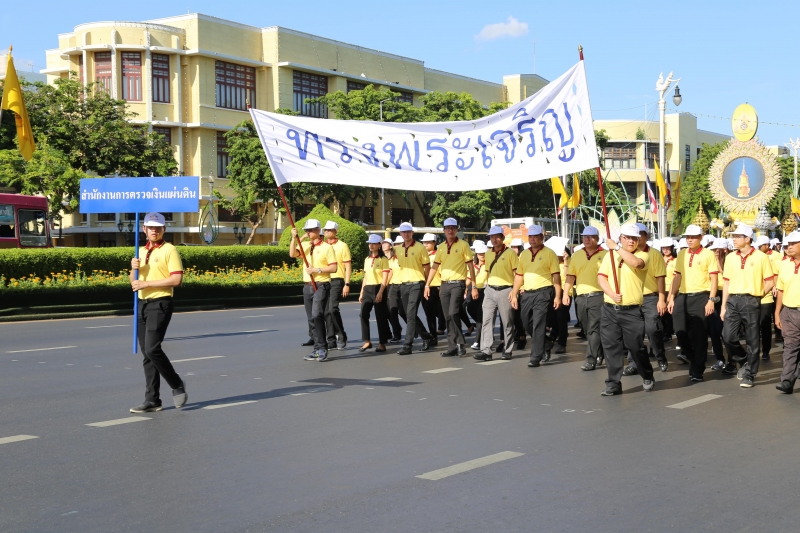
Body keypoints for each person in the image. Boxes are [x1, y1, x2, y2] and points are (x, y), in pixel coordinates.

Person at [129, 212, 187, 413]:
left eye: (158, 227)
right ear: (144, 229)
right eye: (150, 227)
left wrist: (147, 283)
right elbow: (134, 283)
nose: (154, 230)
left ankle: (176, 383)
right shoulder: (140, 251)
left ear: (164, 229)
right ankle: (152, 400)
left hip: (160, 303)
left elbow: (176, 280)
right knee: (147, 354)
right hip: (141, 303)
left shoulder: (169, 250)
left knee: (153, 349)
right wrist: (133, 269)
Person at [596, 224, 656, 396]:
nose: (631, 241)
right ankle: (613, 383)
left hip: (631, 311)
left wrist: (616, 248)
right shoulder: (610, 255)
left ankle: (647, 374)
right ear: (621, 238)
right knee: (611, 347)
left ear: (639, 241)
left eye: (634, 238)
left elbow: (636, 263)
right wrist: (611, 293)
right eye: (627, 237)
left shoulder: (644, 255)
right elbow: (602, 278)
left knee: (635, 347)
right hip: (610, 308)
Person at [720, 224, 775, 388]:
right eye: (734, 236)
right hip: (733, 300)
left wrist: (757, 295)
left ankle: (750, 374)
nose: (734, 239)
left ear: (747, 239)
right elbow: (727, 282)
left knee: (752, 339)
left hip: (751, 300)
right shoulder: (730, 257)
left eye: (738, 236)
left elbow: (770, 281)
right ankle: (743, 359)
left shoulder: (761, 257)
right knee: (727, 336)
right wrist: (723, 306)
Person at [667, 224, 718, 381]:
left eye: (693, 237)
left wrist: (711, 300)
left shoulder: (708, 254)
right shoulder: (681, 254)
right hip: (682, 296)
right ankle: (692, 358)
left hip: (701, 296)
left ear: (701, 237)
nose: (689, 240)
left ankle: (698, 368)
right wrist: (671, 297)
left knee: (699, 335)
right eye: (687, 237)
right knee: (680, 331)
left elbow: (714, 279)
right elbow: (678, 277)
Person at [511, 225, 562, 368]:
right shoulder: (524, 254)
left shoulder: (549, 253)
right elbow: (519, 276)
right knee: (526, 323)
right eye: (530, 236)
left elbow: (556, 277)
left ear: (542, 237)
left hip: (544, 292)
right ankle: (545, 344)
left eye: (535, 236)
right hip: (527, 293)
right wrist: (514, 294)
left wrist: (557, 296)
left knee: (539, 324)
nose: (532, 239)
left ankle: (535, 357)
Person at [425, 218, 477, 357]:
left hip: (458, 283)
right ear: (444, 230)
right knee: (448, 316)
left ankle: (460, 343)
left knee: (454, 312)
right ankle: (452, 346)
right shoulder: (441, 247)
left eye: (453, 228)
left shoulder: (464, 245)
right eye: (447, 228)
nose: (450, 230)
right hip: (444, 284)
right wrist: (427, 284)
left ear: (457, 229)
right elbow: (434, 266)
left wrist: (474, 285)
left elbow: (470, 266)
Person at [290, 219, 338, 362]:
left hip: (321, 284)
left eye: (310, 230)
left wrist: (316, 270)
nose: (308, 233)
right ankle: (317, 348)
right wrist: (293, 238)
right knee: (311, 318)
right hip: (307, 285)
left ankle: (323, 347)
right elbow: (292, 254)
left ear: (318, 230)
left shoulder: (327, 247)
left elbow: (333, 268)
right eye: (306, 230)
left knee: (317, 315)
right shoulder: (305, 245)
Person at [624, 223, 668, 374]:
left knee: (652, 329)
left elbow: (660, 277)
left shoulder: (654, 254)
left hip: (650, 297)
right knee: (634, 333)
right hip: (631, 297)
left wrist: (662, 299)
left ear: (646, 236)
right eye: (632, 236)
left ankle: (660, 356)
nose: (636, 238)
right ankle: (633, 363)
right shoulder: (626, 254)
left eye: (640, 234)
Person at [563, 226, 607, 371]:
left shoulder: (606, 254)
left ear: (597, 238)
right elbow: (571, 275)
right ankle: (600, 352)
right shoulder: (576, 255)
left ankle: (591, 359)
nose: (587, 239)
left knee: (594, 328)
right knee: (588, 328)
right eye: (584, 237)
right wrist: (565, 293)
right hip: (581, 297)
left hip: (598, 295)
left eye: (591, 237)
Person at [475, 226, 519, 361]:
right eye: (491, 237)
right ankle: (486, 351)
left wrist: (515, 292)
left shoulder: (511, 253)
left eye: (497, 237)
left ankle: (508, 349)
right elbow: (488, 272)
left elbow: (517, 273)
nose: (494, 239)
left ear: (502, 238)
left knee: (507, 321)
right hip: (490, 290)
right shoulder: (488, 254)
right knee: (487, 321)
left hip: (506, 289)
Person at [395, 222, 433, 355]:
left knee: (410, 313)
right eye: (403, 232)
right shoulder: (398, 249)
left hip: (417, 283)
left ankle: (407, 345)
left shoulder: (420, 247)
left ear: (412, 233)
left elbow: (427, 268)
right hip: (404, 284)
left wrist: (427, 285)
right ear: (400, 233)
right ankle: (426, 336)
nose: (406, 234)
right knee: (406, 313)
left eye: (408, 231)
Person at [774, 231, 800, 393]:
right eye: (787, 245)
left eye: (793, 244)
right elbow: (781, 290)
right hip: (789, 312)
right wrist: (777, 312)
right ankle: (787, 381)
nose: (788, 247)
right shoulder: (784, 264)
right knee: (790, 347)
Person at [359, 234, 391, 353]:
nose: (371, 246)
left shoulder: (383, 260)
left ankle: (382, 343)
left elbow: (385, 277)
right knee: (363, 314)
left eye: (373, 243)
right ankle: (367, 341)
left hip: (378, 287)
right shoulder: (367, 260)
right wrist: (362, 292)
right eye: (369, 243)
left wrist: (381, 292)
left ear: (379, 245)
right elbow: (366, 277)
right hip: (368, 288)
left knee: (380, 316)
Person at [323, 221, 351, 351]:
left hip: (337, 279)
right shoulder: (321, 245)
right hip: (324, 279)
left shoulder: (342, 246)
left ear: (336, 231)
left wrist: (347, 283)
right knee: (326, 312)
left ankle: (341, 334)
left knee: (332, 309)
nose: (327, 232)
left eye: (330, 230)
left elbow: (347, 266)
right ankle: (331, 340)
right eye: (326, 230)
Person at [755, 235, 783, 360]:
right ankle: (755, 351)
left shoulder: (776, 256)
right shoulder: (755, 256)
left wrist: (775, 286)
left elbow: (778, 273)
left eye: (762, 246)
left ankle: (766, 351)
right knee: (754, 325)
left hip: (769, 295)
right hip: (754, 295)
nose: (760, 248)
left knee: (765, 324)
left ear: (767, 245)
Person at [707, 239, 731, 371]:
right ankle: (720, 359)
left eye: (717, 250)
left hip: (726, 295)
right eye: (713, 250)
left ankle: (732, 360)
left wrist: (718, 263)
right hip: (713, 295)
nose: (715, 253)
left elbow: (727, 277)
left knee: (726, 332)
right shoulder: (710, 260)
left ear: (724, 250)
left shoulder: (730, 260)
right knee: (714, 331)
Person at [421, 233, 443, 349]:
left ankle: (434, 336)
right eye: (424, 242)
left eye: (428, 242)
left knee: (432, 312)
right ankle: (432, 334)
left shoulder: (437, 256)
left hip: (435, 286)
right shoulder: (422, 255)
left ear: (434, 243)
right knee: (429, 313)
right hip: (423, 286)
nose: (426, 245)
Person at [466, 241, 488, 350]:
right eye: (480, 254)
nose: (482, 255)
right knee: (470, 309)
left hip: (485, 291)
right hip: (473, 289)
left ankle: (477, 341)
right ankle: (484, 327)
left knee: (480, 315)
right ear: (476, 254)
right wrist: (465, 288)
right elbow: (469, 278)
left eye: (484, 253)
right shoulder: (473, 265)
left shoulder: (489, 264)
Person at [383, 238, 404, 342]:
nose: (398, 245)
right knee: (391, 311)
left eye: (386, 243)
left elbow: (389, 273)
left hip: (400, 285)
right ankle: (396, 333)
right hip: (389, 286)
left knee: (403, 312)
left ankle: (414, 329)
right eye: (396, 243)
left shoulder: (397, 258)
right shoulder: (384, 258)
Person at [661, 238, 677, 341]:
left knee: (669, 313)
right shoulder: (659, 258)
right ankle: (662, 332)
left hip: (671, 288)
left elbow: (675, 278)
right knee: (661, 313)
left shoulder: (676, 261)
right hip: (660, 289)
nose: (666, 250)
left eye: (668, 248)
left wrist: (671, 294)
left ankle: (668, 333)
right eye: (663, 248)